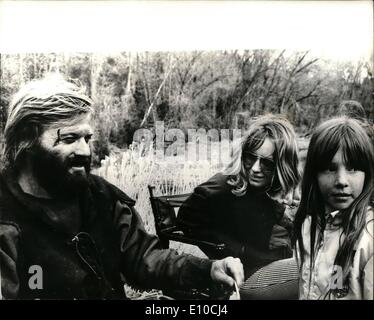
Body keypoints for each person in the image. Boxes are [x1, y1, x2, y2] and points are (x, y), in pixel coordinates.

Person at [0, 75, 244, 300]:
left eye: (87, 138)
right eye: (69, 139)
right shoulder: (6, 218)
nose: (85, 151)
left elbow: (145, 258)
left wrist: (209, 269)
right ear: (26, 139)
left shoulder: (100, 196)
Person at [177, 115, 301, 298]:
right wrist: (233, 249)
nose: (255, 168)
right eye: (251, 158)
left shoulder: (265, 190)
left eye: (267, 163)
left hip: (273, 268)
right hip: (248, 277)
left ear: (282, 165)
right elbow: (186, 217)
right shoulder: (223, 185)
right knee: (322, 270)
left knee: (328, 267)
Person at [292, 117, 373, 300]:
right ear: (314, 174)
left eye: (352, 168)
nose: (342, 181)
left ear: (367, 174)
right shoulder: (307, 226)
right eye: (330, 168)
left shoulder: (369, 238)